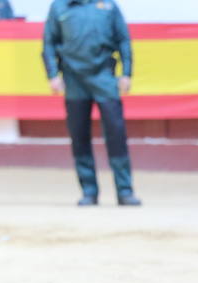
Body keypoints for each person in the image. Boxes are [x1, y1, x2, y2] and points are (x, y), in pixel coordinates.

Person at [41, 0, 141, 207]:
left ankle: (124, 191)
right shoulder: (60, 7)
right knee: (79, 135)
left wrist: (127, 73)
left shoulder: (108, 6)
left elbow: (123, 39)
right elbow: (49, 42)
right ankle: (89, 191)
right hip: (73, 78)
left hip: (104, 76)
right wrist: (52, 74)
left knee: (116, 133)